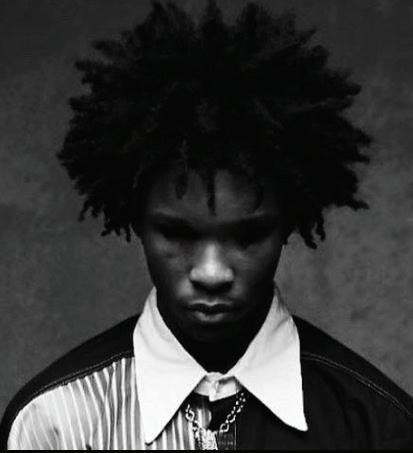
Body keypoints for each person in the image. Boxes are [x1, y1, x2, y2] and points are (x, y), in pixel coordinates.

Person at [1, 0, 413, 450]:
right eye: (177, 233)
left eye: (248, 235)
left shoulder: (378, 425)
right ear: (136, 221)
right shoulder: (53, 423)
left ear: (289, 225)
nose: (212, 273)